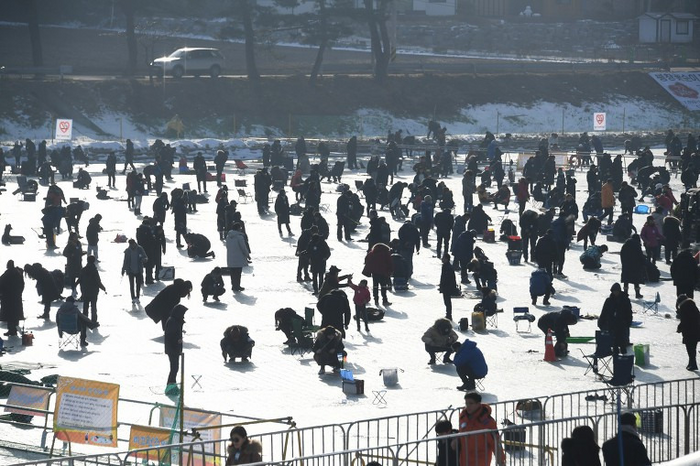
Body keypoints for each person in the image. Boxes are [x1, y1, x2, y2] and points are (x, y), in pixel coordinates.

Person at [452, 392, 505, 466]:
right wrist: (457, 439)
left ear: (478, 404)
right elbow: (462, 432)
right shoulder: (463, 416)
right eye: (466, 403)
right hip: (464, 459)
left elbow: (495, 441)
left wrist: (501, 460)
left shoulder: (487, 422)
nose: (468, 406)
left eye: (471, 403)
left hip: (480, 460)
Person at [598, 283, 633, 354]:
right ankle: (616, 357)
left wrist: (628, 322)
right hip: (612, 324)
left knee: (623, 342)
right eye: (614, 291)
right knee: (614, 343)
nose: (615, 293)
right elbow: (604, 312)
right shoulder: (609, 300)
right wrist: (601, 322)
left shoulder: (625, 300)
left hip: (622, 324)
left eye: (616, 291)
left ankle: (624, 358)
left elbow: (629, 312)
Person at [75, 255, 106, 326]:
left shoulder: (83, 270)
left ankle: (85, 320)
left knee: (85, 306)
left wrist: (75, 284)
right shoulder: (94, 271)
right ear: (94, 261)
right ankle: (93, 321)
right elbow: (98, 281)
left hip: (85, 291)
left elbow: (79, 279)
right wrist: (103, 288)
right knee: (93, 306)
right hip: (93, 292)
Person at [164, 304, 187, 394]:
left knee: (175, 368)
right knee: (174, 368)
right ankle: (170, 386)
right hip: (172, 349)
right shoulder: (173, 321)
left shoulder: (175, 320)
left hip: (174, 349)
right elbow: (170, 336)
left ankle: (172, 385)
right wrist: (177, 341)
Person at [363, 242, 393, 307]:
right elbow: (389, 262)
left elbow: (366, 260)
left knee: (375, 286)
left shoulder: (372, 253)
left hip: (374, 273)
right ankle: (384, 300)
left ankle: (376, 300)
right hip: (383, 272)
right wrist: (390, 270)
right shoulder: (385, 253)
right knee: (383, 287)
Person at [676, 294, 700, 371]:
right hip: (696, 331)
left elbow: (685, 321)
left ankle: (693, 364)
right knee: (693, 348)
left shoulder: (684, 307)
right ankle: (691, 363)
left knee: (690, 349)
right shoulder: (693, 306)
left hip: (689, 332)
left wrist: (679, 328)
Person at [0, 260, 24, 337]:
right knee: (16, 315)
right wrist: (19, 293)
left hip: (8, 298)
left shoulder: (7, 274)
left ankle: (11, 330)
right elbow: (22, 284)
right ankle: (15, 329)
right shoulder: (18, 273)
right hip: (16, 297)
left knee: (9, 315)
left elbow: (1, 283)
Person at [122, 239, 148, 304]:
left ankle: (137, 297)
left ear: (134, 243)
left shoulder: (140, 249)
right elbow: (125, 261)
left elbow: (145, 257)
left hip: (138, 270)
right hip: (130, 270)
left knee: (138, 285)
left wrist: (144, 259)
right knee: (131, 285)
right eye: (130, 245)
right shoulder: (128, 251)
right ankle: (133, 298)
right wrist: (123, 269)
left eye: (133, 244)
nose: (132, 246)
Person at [226, 223, 250, 292]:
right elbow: (243, 247)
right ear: (238, 228)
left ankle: (233, 285)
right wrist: (247, 255)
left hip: (230, 257)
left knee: (232, 273)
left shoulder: (228, 236)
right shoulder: (239, 237)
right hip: (238, 257)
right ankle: (237, 286)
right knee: (238, 273)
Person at [620, 234, 645, 299]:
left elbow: (622, 254)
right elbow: (640, 255)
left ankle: (625, 293)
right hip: (635, 265)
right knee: (636, 280)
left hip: (626, 265)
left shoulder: (626, 244)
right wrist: (642, 262)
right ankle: (637, 294)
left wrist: (623, 263)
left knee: (626, 280)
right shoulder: (637, 245)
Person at [439, 254, 459, 320]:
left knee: (447, 301)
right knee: (447, 301)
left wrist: (442, 286)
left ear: (447, 259)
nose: (442, 259)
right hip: (446, 286)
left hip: (447, 287)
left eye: (443, 258)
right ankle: (448, 314)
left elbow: (446, 278)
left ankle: (449, 315)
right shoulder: (446, 266)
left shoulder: (448, 267)